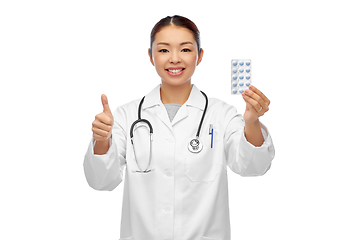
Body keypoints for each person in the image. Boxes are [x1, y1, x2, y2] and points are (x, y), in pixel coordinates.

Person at [84, 15, 275, 240]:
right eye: (164, 50)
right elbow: (101, 181)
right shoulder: (127, 115)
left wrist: (252, 122)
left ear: (200, 56)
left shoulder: (221, 114)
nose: (174, 59)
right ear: (150, 56)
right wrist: (102, 139)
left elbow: (253, 166)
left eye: (185, 50)